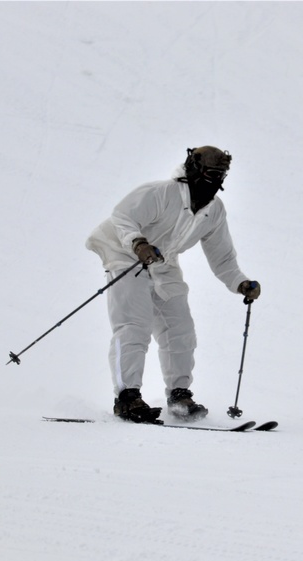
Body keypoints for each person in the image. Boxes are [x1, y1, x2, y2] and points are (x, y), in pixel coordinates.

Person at [85, 146, 261, 423]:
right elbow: (122, 217)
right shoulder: (159, 193)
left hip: (162, 262)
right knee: (134, 324)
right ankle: (127, 398)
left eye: (221, 175)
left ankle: (179, 396)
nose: (216, 180)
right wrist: (138, 243)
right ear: (194, 169)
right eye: (211, 173)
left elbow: (222, 257)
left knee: (180, 328)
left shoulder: (213, 210)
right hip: (124, 254)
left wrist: (240, 282)